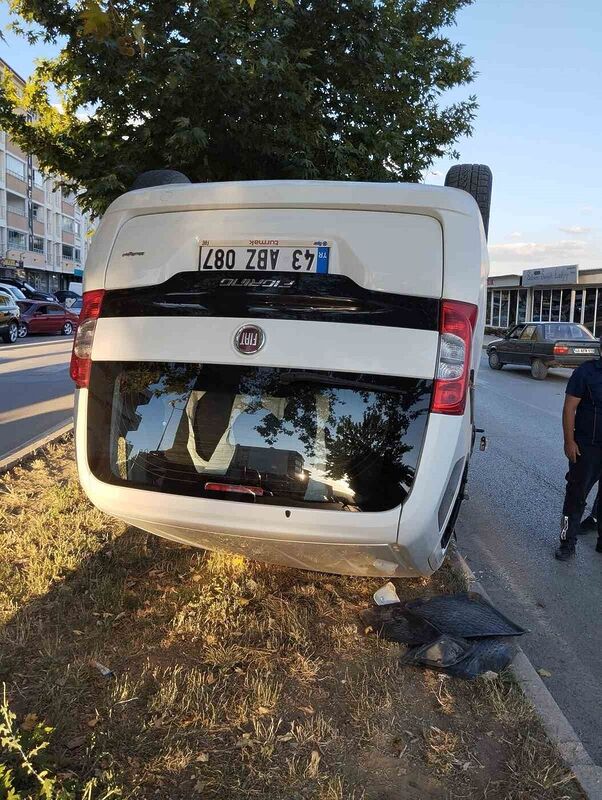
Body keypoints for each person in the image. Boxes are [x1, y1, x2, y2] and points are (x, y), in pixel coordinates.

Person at [557, 349, 602, 560]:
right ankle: (567, 543)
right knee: (576, 497)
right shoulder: (586, 372)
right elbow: (569, 408)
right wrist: (569, 441)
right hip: (587, 448)